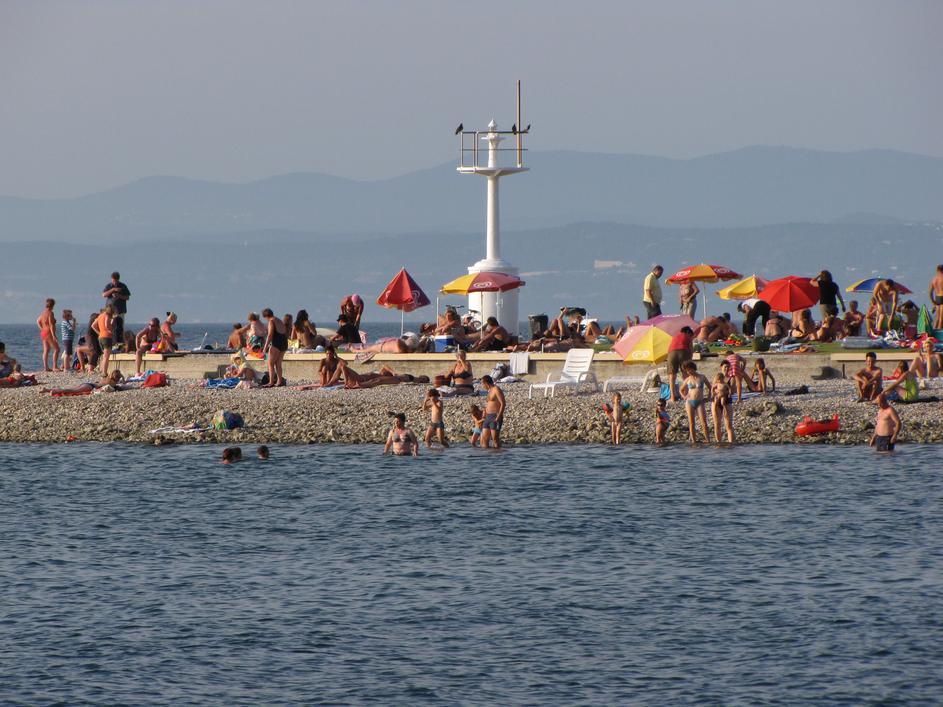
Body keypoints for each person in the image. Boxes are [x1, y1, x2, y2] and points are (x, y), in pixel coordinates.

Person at [680, 361, 711, 444]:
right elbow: (681, 389)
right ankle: (694, 441)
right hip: (689, 402)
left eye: (689, 370)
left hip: (700, 401)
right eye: (686, 371)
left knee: (704, 422)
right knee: (691, 423)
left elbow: (710, 387)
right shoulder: (688, 379)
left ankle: (708, 440)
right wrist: (684, 396)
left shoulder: (702, 377)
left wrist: (708, 397)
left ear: (693, 368)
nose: (688, 372)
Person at [102, 272, 131, 350]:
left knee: (119, 327)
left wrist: (119, 296)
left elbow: (127, 297)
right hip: (109, 311)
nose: (114, 282)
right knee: (109, 327)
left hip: (120, 310)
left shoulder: (123, 286)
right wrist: (113, 290)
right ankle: (110, 343)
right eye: (113, 281)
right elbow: (104, 295)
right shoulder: (109, 286)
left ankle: (120, 344)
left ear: (118, 279)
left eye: (116, 281)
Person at [666, 326, 694, 401]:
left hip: (671, 353)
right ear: (688, 332)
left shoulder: (675, 336)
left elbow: (670, 347)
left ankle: (672, 397)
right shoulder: (688, 336)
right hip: (684, 351)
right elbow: (691, 349)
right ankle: (686, 395)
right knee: (685, 374)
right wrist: (690, 360)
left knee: (672, 376)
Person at [262, 308, 288, 387]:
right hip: (284, 343)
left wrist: (265, 347)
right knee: (278, 364)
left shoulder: (271, 321)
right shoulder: (279, 320)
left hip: (276, 343)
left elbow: (270, 335)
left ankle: (271, 382)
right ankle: (279, 381)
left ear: (266, 316)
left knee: (270, 363)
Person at [480, 375, 505, 449]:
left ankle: (498, 454)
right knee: (484, 439)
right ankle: (487, 455)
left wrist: (499, 416)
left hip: (495, 416)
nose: (482, 386)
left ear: (486, 383)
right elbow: (489, 403)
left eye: (482, 384)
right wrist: (485, 411)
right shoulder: (489, 391)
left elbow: (503, 403)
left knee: (495, 439)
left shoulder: (496, 389)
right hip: (488, 417)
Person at [710, 371, 735, 444]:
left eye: (728, 366)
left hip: (726, 401)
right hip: (716, 400)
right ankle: (718, 443)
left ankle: (731, 443)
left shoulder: (731, 378)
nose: (726, 368)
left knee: (728, 424)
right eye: (725, 366)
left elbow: (732, 391)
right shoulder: (716, 378)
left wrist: (724, 393)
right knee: (717, 424)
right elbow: (712, 388)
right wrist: (715, 393)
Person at [37, 298, 60, 372]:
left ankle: (46, 367)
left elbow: (38, 321)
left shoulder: (43, 313)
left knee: (46, 350)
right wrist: (54, 335)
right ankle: (54, 366)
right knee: (57, 349)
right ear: (52, 305)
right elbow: (51, 325)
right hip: (48, 332)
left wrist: (42, 328)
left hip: (43, 332)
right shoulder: (50, 313)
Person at [92, 305, 116, 374]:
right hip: (107, 337)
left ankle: (102, 371)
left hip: (101, 337)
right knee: (106, 357)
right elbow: (106, 325)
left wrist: (99, 333)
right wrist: (111, 330)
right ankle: (104, 372)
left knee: (104, 355)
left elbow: (93, 325)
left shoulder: (100, 316)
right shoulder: (107, 316)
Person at [930, 265, 943, 330]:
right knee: (941, 319)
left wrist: (933, 302)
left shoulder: (934, 279)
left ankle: (933, 332)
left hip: (937, 298)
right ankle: (939, 334)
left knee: (937, 318)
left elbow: (930, 292)